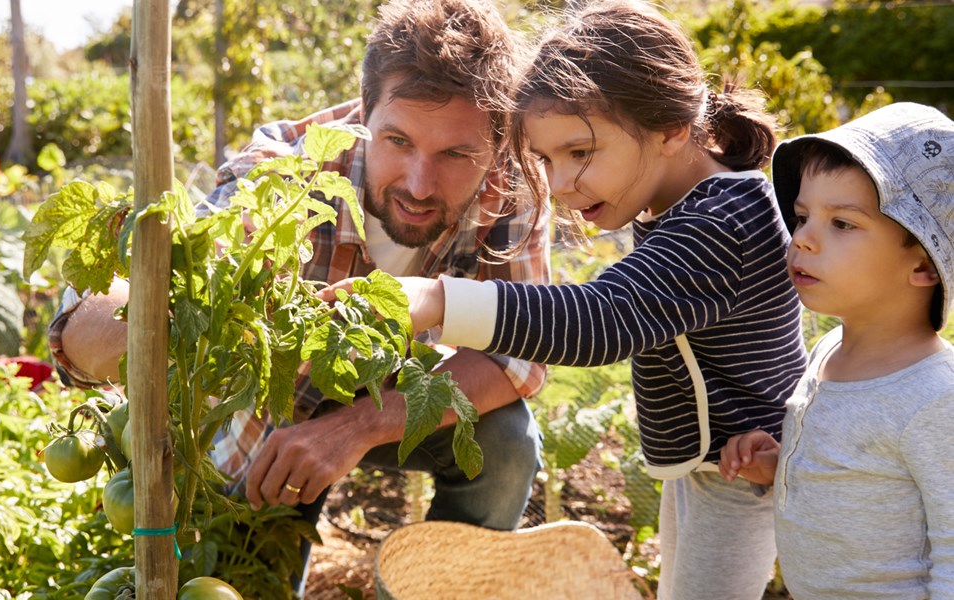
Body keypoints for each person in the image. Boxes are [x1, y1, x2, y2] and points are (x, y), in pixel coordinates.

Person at [49, 0, 550, 591]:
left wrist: (357, 427)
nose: (419, 182)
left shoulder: (510, 186)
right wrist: (186, 306)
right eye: (398, 140)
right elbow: (82, 332)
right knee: (248, 576)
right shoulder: (286, 174)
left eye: (456, 155)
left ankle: (442, 585)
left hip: (390, 394)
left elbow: (516, 354)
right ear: (363, 112)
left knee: (506, 442)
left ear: (494, 144)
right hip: (269, 426)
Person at [327, 2, 811, 597]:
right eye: (547, 158)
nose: (558, 184)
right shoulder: (678, 205)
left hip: (747, 472)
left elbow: (600, 320)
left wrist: (436, 300)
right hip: (715, 468)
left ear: (672, 129)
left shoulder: (722, 221)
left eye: (580, 153)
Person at [718, 102, 954, 598]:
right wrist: (782, 464)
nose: (802, 238)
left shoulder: (935, 399)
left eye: (842, 224)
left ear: (925, 266)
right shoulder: (828, 350)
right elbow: (865, 480)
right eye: (803, 216)